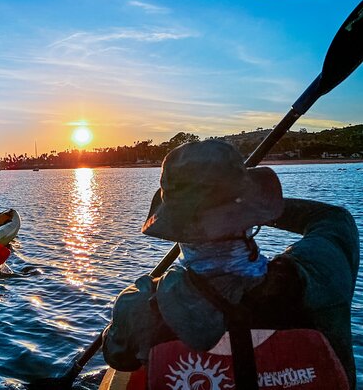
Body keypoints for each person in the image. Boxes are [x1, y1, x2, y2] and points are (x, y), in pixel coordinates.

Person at [102, 139, 359, 389]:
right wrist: (254, 206)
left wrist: (234, 208)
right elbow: (334, 219)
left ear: (174, 223)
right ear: (253, 214)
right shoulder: (320, 272)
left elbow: (119, 359)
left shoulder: (138, 306)